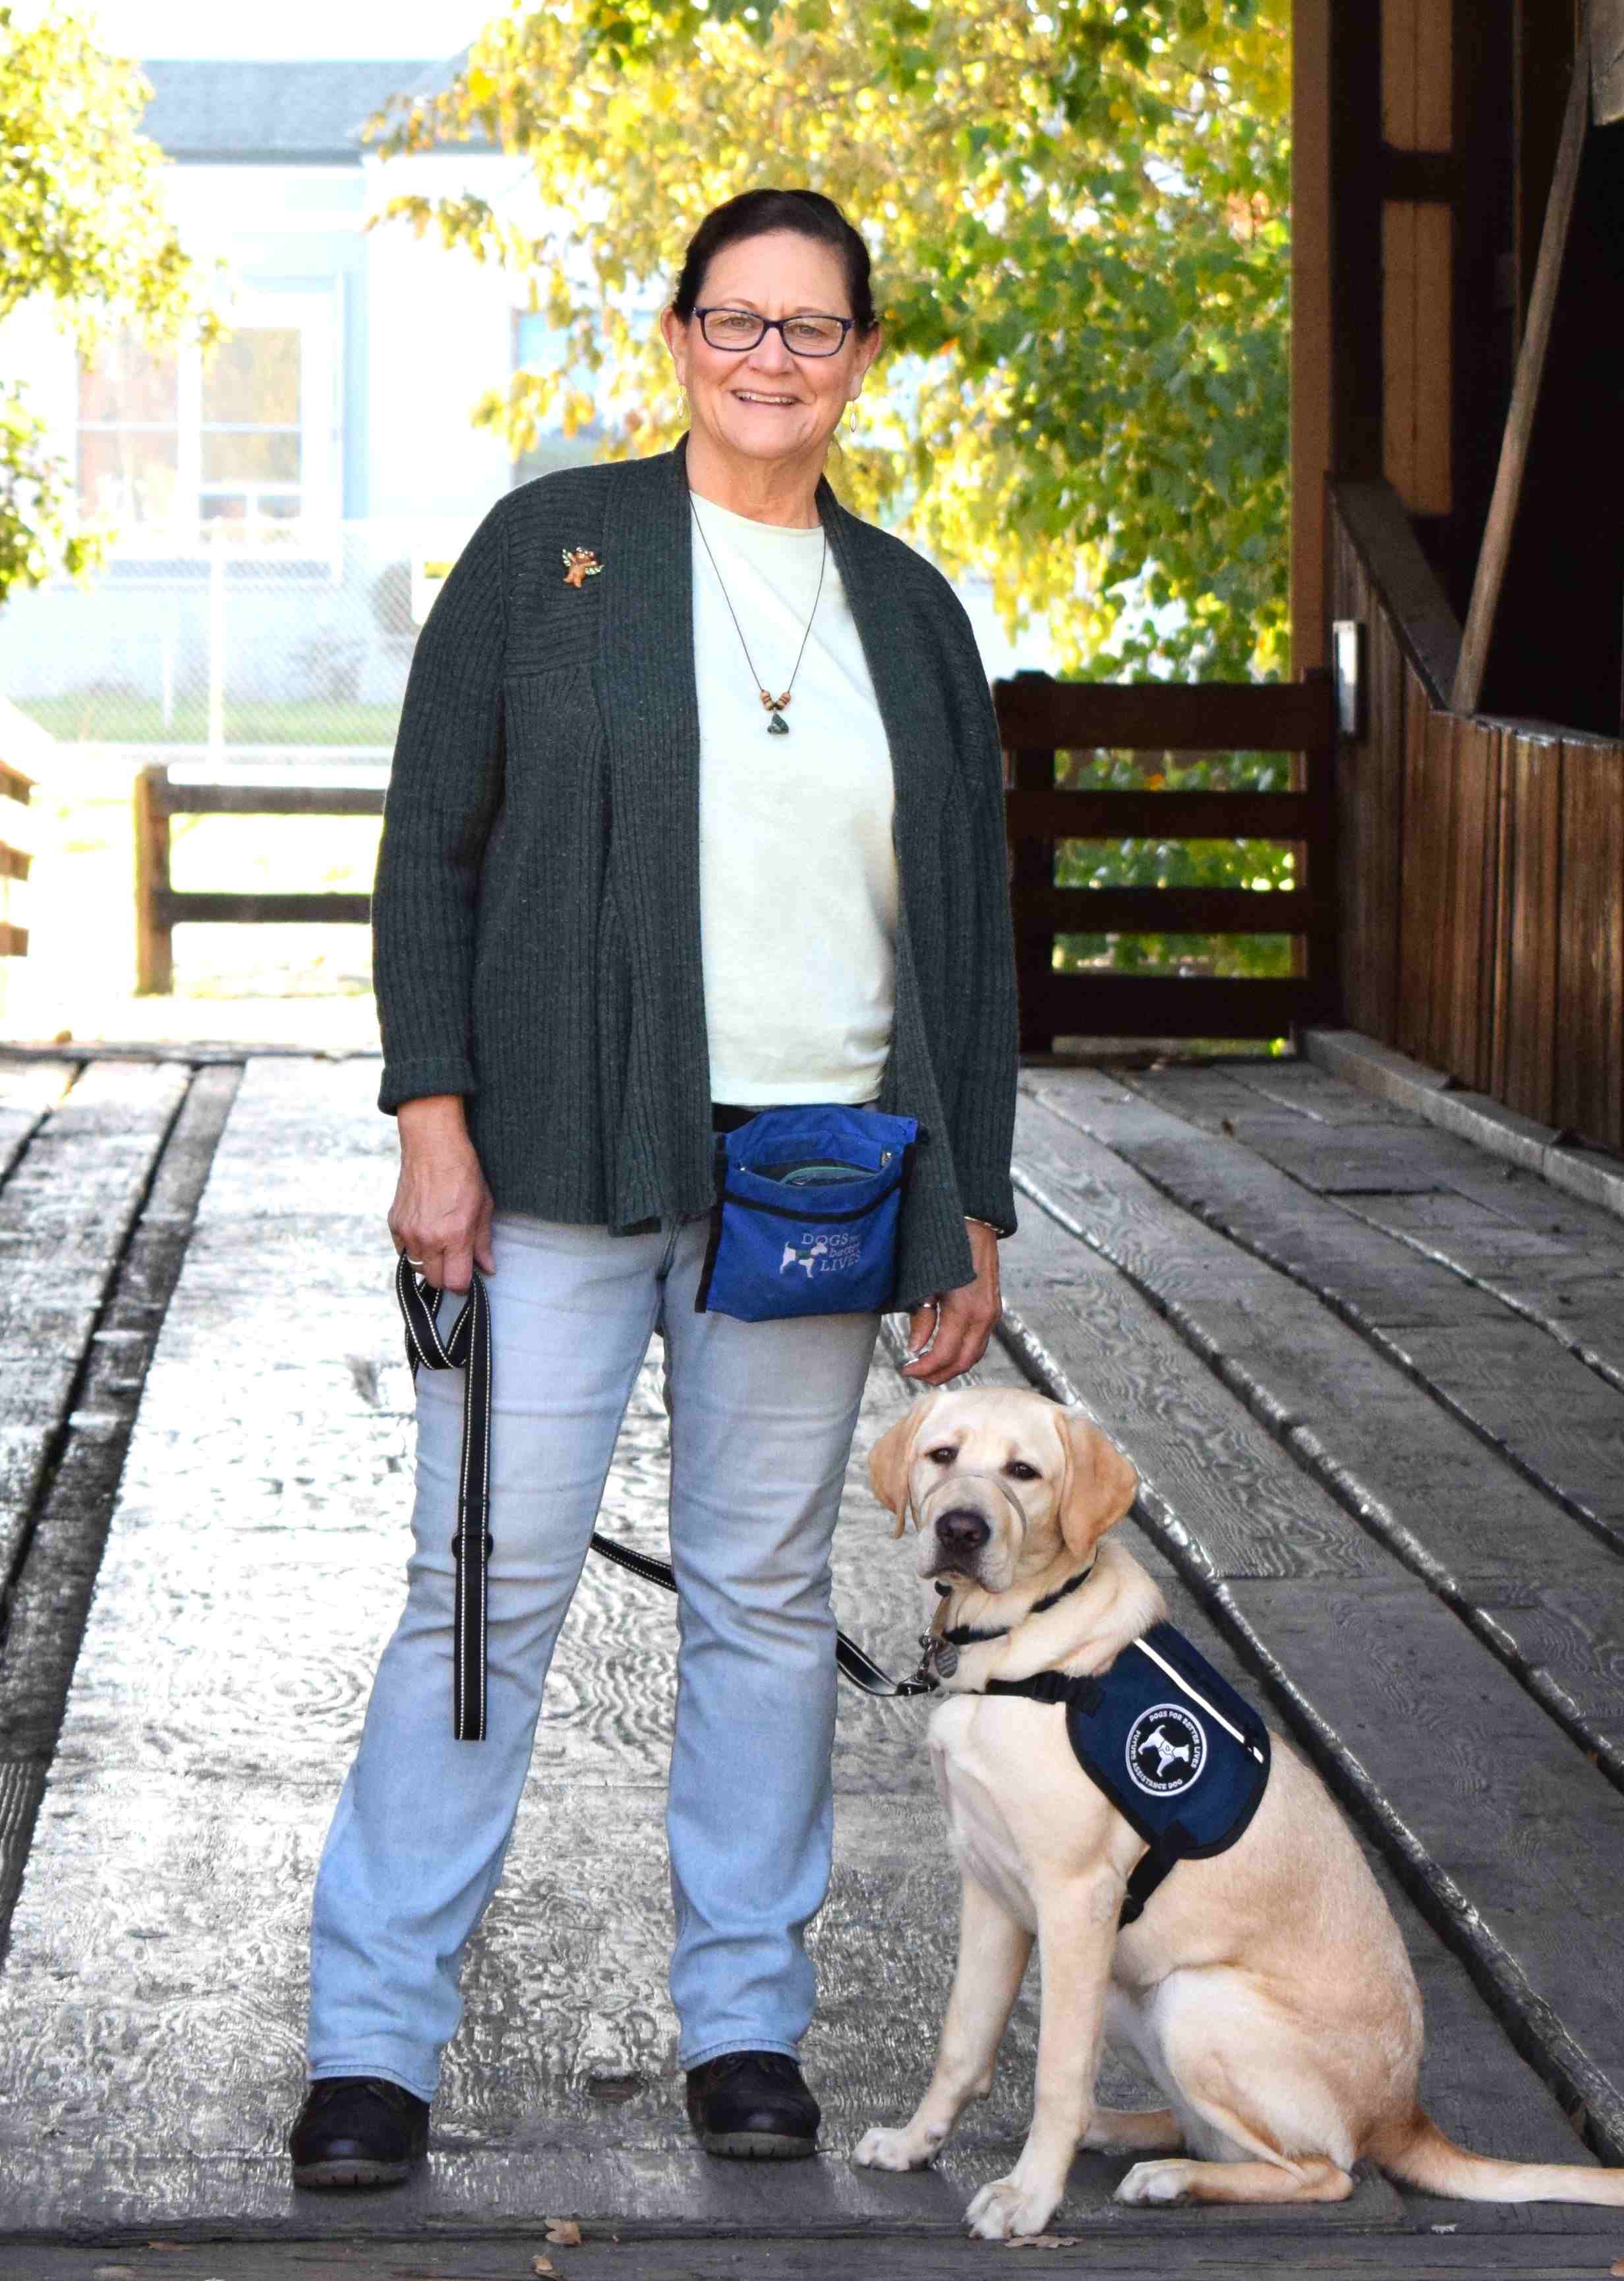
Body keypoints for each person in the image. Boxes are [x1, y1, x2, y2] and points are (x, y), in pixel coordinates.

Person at [289, 185, 1020, 2189]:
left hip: (807, 1172)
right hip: (546, 1153)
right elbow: (428, 843)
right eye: (735, 318)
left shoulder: (911, 613)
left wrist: (966, 1198)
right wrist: (429, 1115)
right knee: (486, 1583)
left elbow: (959, 937)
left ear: (858, 356)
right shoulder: (551, 553)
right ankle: (372, 2039)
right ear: (678, 332)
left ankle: (747, 2023)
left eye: (810, 327)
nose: (768, 356)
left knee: (768, 1600)